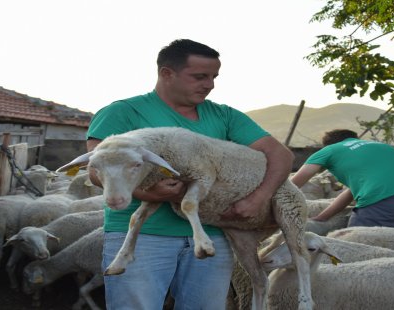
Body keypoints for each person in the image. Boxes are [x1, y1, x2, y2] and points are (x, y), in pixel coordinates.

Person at [85, 39, 294, 310]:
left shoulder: (224, 116)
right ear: (166, 73)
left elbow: (281, 155)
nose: (210, 85)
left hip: (211, 236)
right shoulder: (122, 112)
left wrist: (259, 197)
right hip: (144, 237)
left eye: (214, 77)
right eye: (200, 76)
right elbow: (96, 168)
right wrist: (146, 192)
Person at [291, 129, 394, 228]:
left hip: (383, 202)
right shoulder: (381, 146)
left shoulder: (329, 150)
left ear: (328, 144)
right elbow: (351, 193)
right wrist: (322, 217)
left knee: (354, 243)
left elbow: (294, 183)